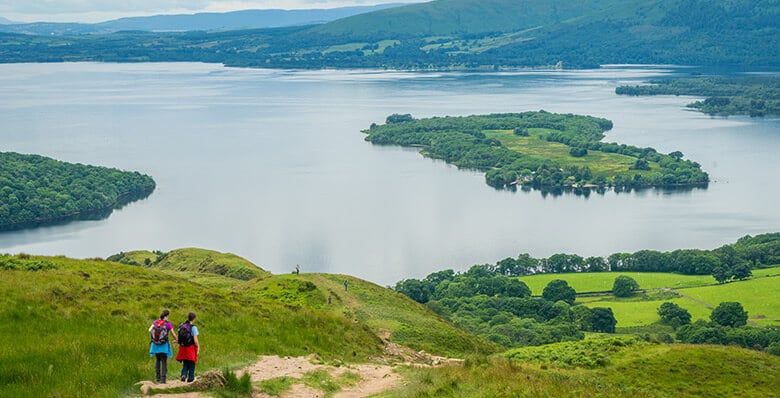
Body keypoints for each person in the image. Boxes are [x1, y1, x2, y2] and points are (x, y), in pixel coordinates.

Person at [149, 309, 177, 384]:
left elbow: (149, 330)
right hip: (164, 345)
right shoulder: (168, 324)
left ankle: (157, 378)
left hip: (155, 344)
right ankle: (163, 379)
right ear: (167, 316)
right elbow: (173, 334)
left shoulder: (154, 322)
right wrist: (177, 339)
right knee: (164, 361)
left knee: (157, 360)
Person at [176, 312, 200, 383]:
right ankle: (190, 378)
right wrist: (198, 347)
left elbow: (179, 337)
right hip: (191, 347)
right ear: (194, 318)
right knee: (192, 363)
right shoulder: (193, 327)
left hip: (183, 347)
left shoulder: (182, 326)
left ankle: (183, 374)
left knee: (185, 362)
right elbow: (195, 340)